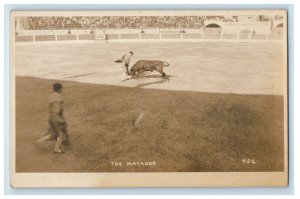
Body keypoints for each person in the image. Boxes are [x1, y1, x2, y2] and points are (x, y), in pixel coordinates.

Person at [36, 83, 69, 154]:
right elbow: (58, 109)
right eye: (61, 89)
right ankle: (56, 150)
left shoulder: (51, 95)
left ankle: (38, 142)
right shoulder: (58, 98)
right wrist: (60, 119)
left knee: (53, 134)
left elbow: (49, 107)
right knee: (60, 133)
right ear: (60, 89)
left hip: (51, 118)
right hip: (57, 118)